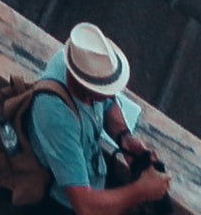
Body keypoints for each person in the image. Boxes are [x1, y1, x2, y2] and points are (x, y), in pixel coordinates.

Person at [26, 27, 171, 213]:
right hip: (61, 204)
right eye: (105, 89)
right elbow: (84, 205)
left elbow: (109, 104)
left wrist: (125, 139)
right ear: (85, 84)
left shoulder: (81, 64)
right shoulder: (56, 116)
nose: (112, 94)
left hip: (93, 181)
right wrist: (141, 191)